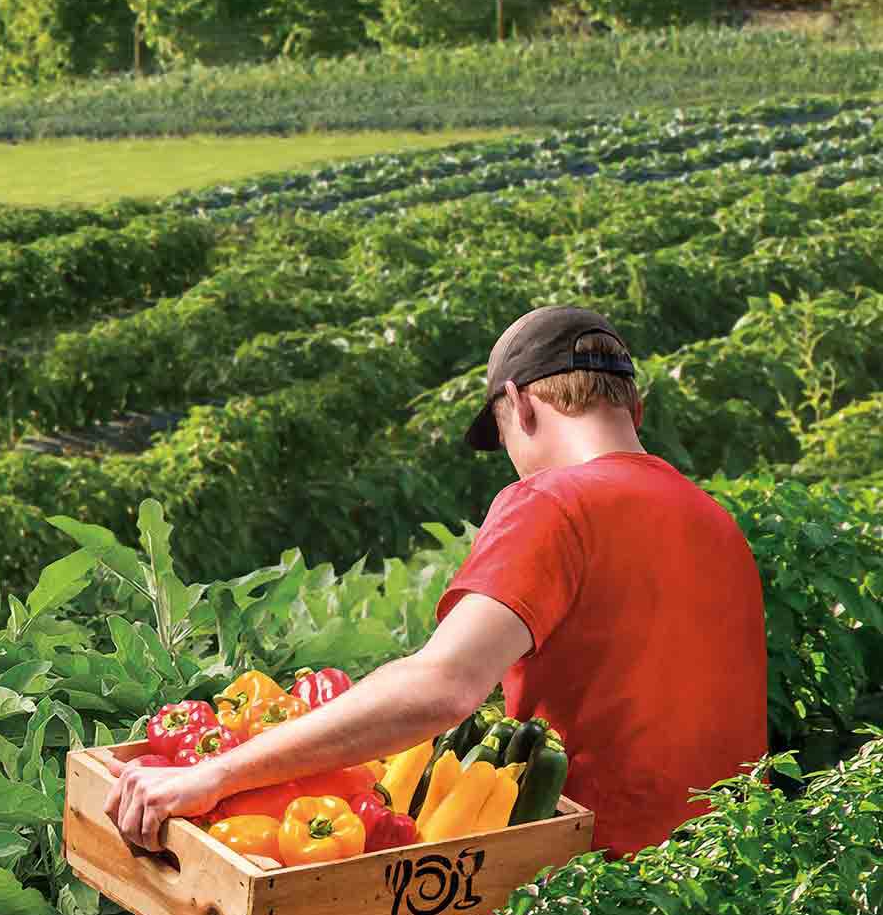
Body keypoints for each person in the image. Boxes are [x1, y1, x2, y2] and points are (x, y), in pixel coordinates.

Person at [105, 304, 768, 859]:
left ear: (520, 405)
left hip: (601, 897)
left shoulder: (554, 503)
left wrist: (217, 772)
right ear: (635, 409)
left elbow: (440, 688)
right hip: (724, 879)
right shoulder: (715, 522)